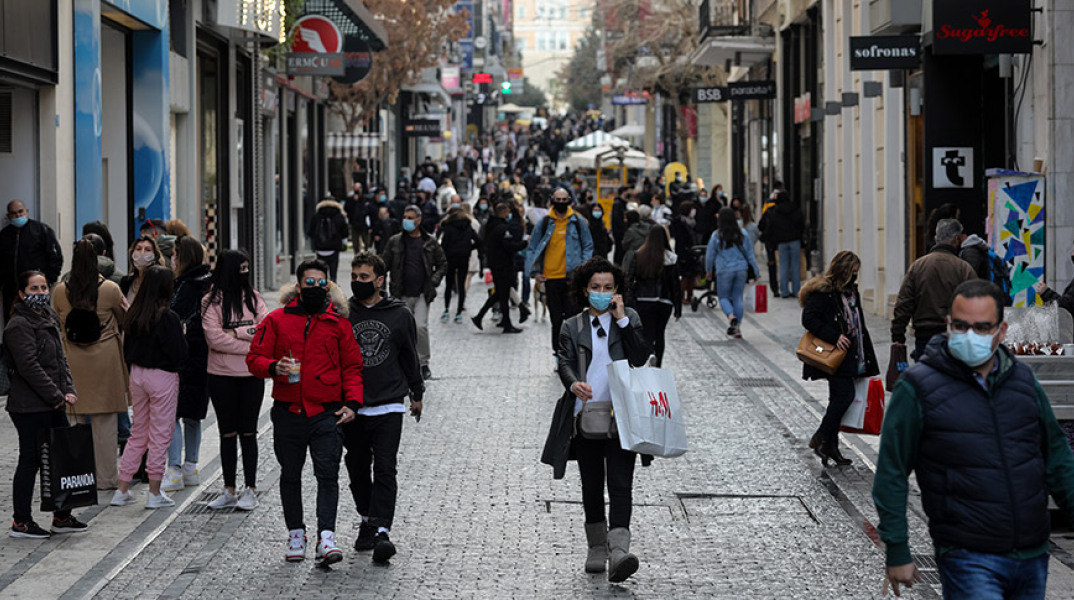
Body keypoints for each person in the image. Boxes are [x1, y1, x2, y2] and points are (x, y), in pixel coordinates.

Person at [873, 279, 1074, 599]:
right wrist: (897, 549)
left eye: (982, 327)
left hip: (1032, 554)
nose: (970, 336)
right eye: (962, 326)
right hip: (968, 554)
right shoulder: (918, 387)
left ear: (1002, 330)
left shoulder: (1023, 381)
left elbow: (1057, 457)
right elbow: (891, 471)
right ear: (948, 325)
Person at [541, 257, 652, 582]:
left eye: (608, 288)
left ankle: (618, 550)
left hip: (622, 416)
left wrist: (620, 321)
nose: (602, 293)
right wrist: (573, 382)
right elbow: (564, 362)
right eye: (596, 288)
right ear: (585, 290)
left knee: (620, 484)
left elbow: (640, 356)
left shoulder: (628, 317)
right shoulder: (571, 325)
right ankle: (596, 548)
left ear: (617, 291)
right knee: (591, 485)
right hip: (585, 418)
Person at [246, 260, 363, 564]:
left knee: (327, 475)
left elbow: (352, 367)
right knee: (290, 474)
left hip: (326, 413)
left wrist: (352, 403)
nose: (315, 288)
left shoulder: (338, 324)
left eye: (320, 283)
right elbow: (255, 358)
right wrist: (274, 367)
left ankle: (327, 537)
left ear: (328, 286)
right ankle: (295, 533)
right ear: (298, 287)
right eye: (309, 283)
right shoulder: (276, 320)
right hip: (289, 412)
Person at [344, 253, 424, 562]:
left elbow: (409, 355)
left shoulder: (399, 313)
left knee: (386, 468)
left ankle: (381, 530)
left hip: (389, 403)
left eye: (364, 277)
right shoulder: (343, 312)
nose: (357, 282)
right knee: (357, 468)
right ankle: (367, 518)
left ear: (380, 280)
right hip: (353, 406)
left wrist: (417, 392)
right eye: (354, 276)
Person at [3, 271, 88, 538]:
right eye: (33, 288)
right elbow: (29, 367)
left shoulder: (48, 317)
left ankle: (61, 515)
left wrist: (69, 389)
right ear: (21, 293)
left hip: (53, 402)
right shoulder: (18, 325)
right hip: (29, 407)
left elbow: (61, 359)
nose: (40, 293)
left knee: (59, 457)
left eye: (43, 287)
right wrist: (55, 395)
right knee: (31, 460)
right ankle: (21, 522)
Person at [52, 240, 129, 490]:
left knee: (74, 420)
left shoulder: (60, 290)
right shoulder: (110, 288)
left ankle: (77, 476)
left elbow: (55, 321)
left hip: (72, 359)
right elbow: (123, 319)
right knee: (105, 423)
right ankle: (106, 479)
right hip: (105, 359)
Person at [110, 266, 188, 510]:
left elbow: (126, 348)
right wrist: (182, 335)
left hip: (138, 374)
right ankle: (154, 491)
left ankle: (122, 489)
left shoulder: (134, 313)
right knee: (160, 434)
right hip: (162, 377)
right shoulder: (168, 317)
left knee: (138, 431)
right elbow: (179, 354)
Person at [200, 249, 269, 510]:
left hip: (252, 375)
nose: (245, 273)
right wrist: (248, 341)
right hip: (221, 376)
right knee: (227, 433)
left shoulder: (255, 298)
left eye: (247, 267)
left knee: (249, 432)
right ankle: (229, 488)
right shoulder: (210, 301)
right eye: (241, 268)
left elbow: (263, 330)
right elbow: (213, 338)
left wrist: (236, 331)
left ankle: (250, 488)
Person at [799, 251, 879, 466]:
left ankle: (830, 447)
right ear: (844, 271)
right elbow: (808, 319)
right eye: (853, 273)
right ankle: (821, 436)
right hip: (835, 357)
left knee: (837, 399)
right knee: (844, 396)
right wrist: (834, 336)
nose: (855, 278)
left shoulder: (852, 292)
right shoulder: (825, 292)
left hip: (852, 355)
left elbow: (858, 323)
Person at [161, 237, 212, 494]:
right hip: (203, 357)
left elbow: (173, 319)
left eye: (175, 254)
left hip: (184, 356)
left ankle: (175, 468)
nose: (172, 258)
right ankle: (191, 466)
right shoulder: (206, 282)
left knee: (173, 414)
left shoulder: (186, 286)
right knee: (192, 414)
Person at [892, 219, 978, 361]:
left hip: (924, 338)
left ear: (936, 238)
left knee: (926, 379)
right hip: (956, 337)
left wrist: (898, 336)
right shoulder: (964, 269)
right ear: (957, 239)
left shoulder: (918, 266)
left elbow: (904, 303)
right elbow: (975, 304)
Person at [382, 206, 448, 380]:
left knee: (420, 327)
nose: (407, 221)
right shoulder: (395, 241)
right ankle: (401, 363)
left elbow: (442, 264)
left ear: (419, 220)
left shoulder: (429, 242)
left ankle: (423, 363)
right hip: (400, 293)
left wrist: (433, 281)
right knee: (402, 329)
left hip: (421, 293)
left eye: (410, 217)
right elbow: (383, 264)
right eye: (405, 217)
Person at [526, 188, 595, 355]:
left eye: (565, 200)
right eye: (558, 199)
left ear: (569, 200)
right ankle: (558, 353)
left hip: (572, 278)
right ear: (552, 200)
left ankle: (573, 351)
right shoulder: (544, 223)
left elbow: (588, 245)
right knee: (556, 320)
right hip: (551, 278)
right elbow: (532, 248)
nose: (561, 203)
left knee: (574, 318)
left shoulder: (578, 222)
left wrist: (583, 267)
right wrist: (535, 272)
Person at [624, 227, 681, 367]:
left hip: (643, 300)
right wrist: (678, 308)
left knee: (645, 333)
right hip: (664, 302)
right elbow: (675, 285)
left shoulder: (639, 255)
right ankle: (657, 364)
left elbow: (630, 280)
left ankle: (646, 356)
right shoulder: (671, 258)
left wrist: (629, 301)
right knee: (659, 333)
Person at [0, 200, 64, 318]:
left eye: (20, 211)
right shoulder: (4, 235)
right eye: (14, 213)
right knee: (13, 324)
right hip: (11, 292)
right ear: (9, 216)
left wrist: (48, 281)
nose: (18, 215)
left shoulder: (41, 230)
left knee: (39, 321)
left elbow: (55, 257)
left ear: (27, 211)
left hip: (36, 290)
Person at [472, 202, 528, 333]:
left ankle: (496, 320)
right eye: (507, 212)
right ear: (503, 212)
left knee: (500, 294)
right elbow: (508, 247)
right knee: (502, 293)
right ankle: (494, 320)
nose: (509, 214)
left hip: (495, 264)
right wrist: (524, 243)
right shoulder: (502, 228)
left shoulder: (491, 225)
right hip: (503, 265)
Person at [705, 208, 760, 338]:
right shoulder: (743, 234)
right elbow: (750, 254)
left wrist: (708, 270)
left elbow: (710, 255)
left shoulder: (716, 235)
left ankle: (730, 316)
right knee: (737, 297)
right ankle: (737, 327)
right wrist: (756, 271)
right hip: (741, 269)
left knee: (723, 297)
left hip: (724, 270)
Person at [437, 206, 482, 324]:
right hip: (463, 258)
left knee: (449, 284)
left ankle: (446, 310)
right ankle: (458, 312)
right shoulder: (468, 227)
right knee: (461, 285)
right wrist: (468, 248)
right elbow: (479, 241)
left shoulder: (448, 227)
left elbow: (444, 244)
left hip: (450, 258)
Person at [757, 191, 805, 299]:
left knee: (783, 267)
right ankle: (796, 290)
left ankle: (784, 291)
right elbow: (801, 224)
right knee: (795, 267)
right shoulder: (795, 209)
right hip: (794, 240)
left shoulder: (775, 211)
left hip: (781, 242)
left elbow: (772, 226)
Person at [307, 197, 349, 281]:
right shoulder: (339, 216)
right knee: (333, 273)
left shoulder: (316, 216)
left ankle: (322, 286)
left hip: (320, 248)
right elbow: (345, 232)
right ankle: (333, 286)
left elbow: (311, 232)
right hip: (334, 248)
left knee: (321, 271)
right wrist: (343, 242)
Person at [668, 202, 698, 306]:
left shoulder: (693, 222)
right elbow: (680, 240)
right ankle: (681, 297)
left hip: (693, 252)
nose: (694, 212)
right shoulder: (679, 222)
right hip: (684, 252)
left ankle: (689, 296)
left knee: (692, 276)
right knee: (684, 276)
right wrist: (681, 255)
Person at [120, 236, 164, 304]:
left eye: (148, 250)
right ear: (132, 254)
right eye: (138, 249)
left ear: (155, 256)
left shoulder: (159, 282)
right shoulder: (126, 282)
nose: (142, 253)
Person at [345, 183, 374, 253]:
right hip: (354, 223)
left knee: (366, 241)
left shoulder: (366, 199)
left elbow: (369, 210)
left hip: (364, 223)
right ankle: (357, 254)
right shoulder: (350, 199)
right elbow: (347, 208)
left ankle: (366, 253)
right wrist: (354, 201)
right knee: (355, 242)